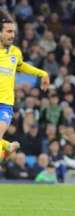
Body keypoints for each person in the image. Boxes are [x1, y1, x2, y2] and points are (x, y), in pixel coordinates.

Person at [0, 10, 49, 161]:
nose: (12, 35)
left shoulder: (15, 52)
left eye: (13, 31)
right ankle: (6, 147)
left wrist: (42, 73)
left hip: (5, 105)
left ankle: (6, 147)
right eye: (8, 31)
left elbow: (22, 66)